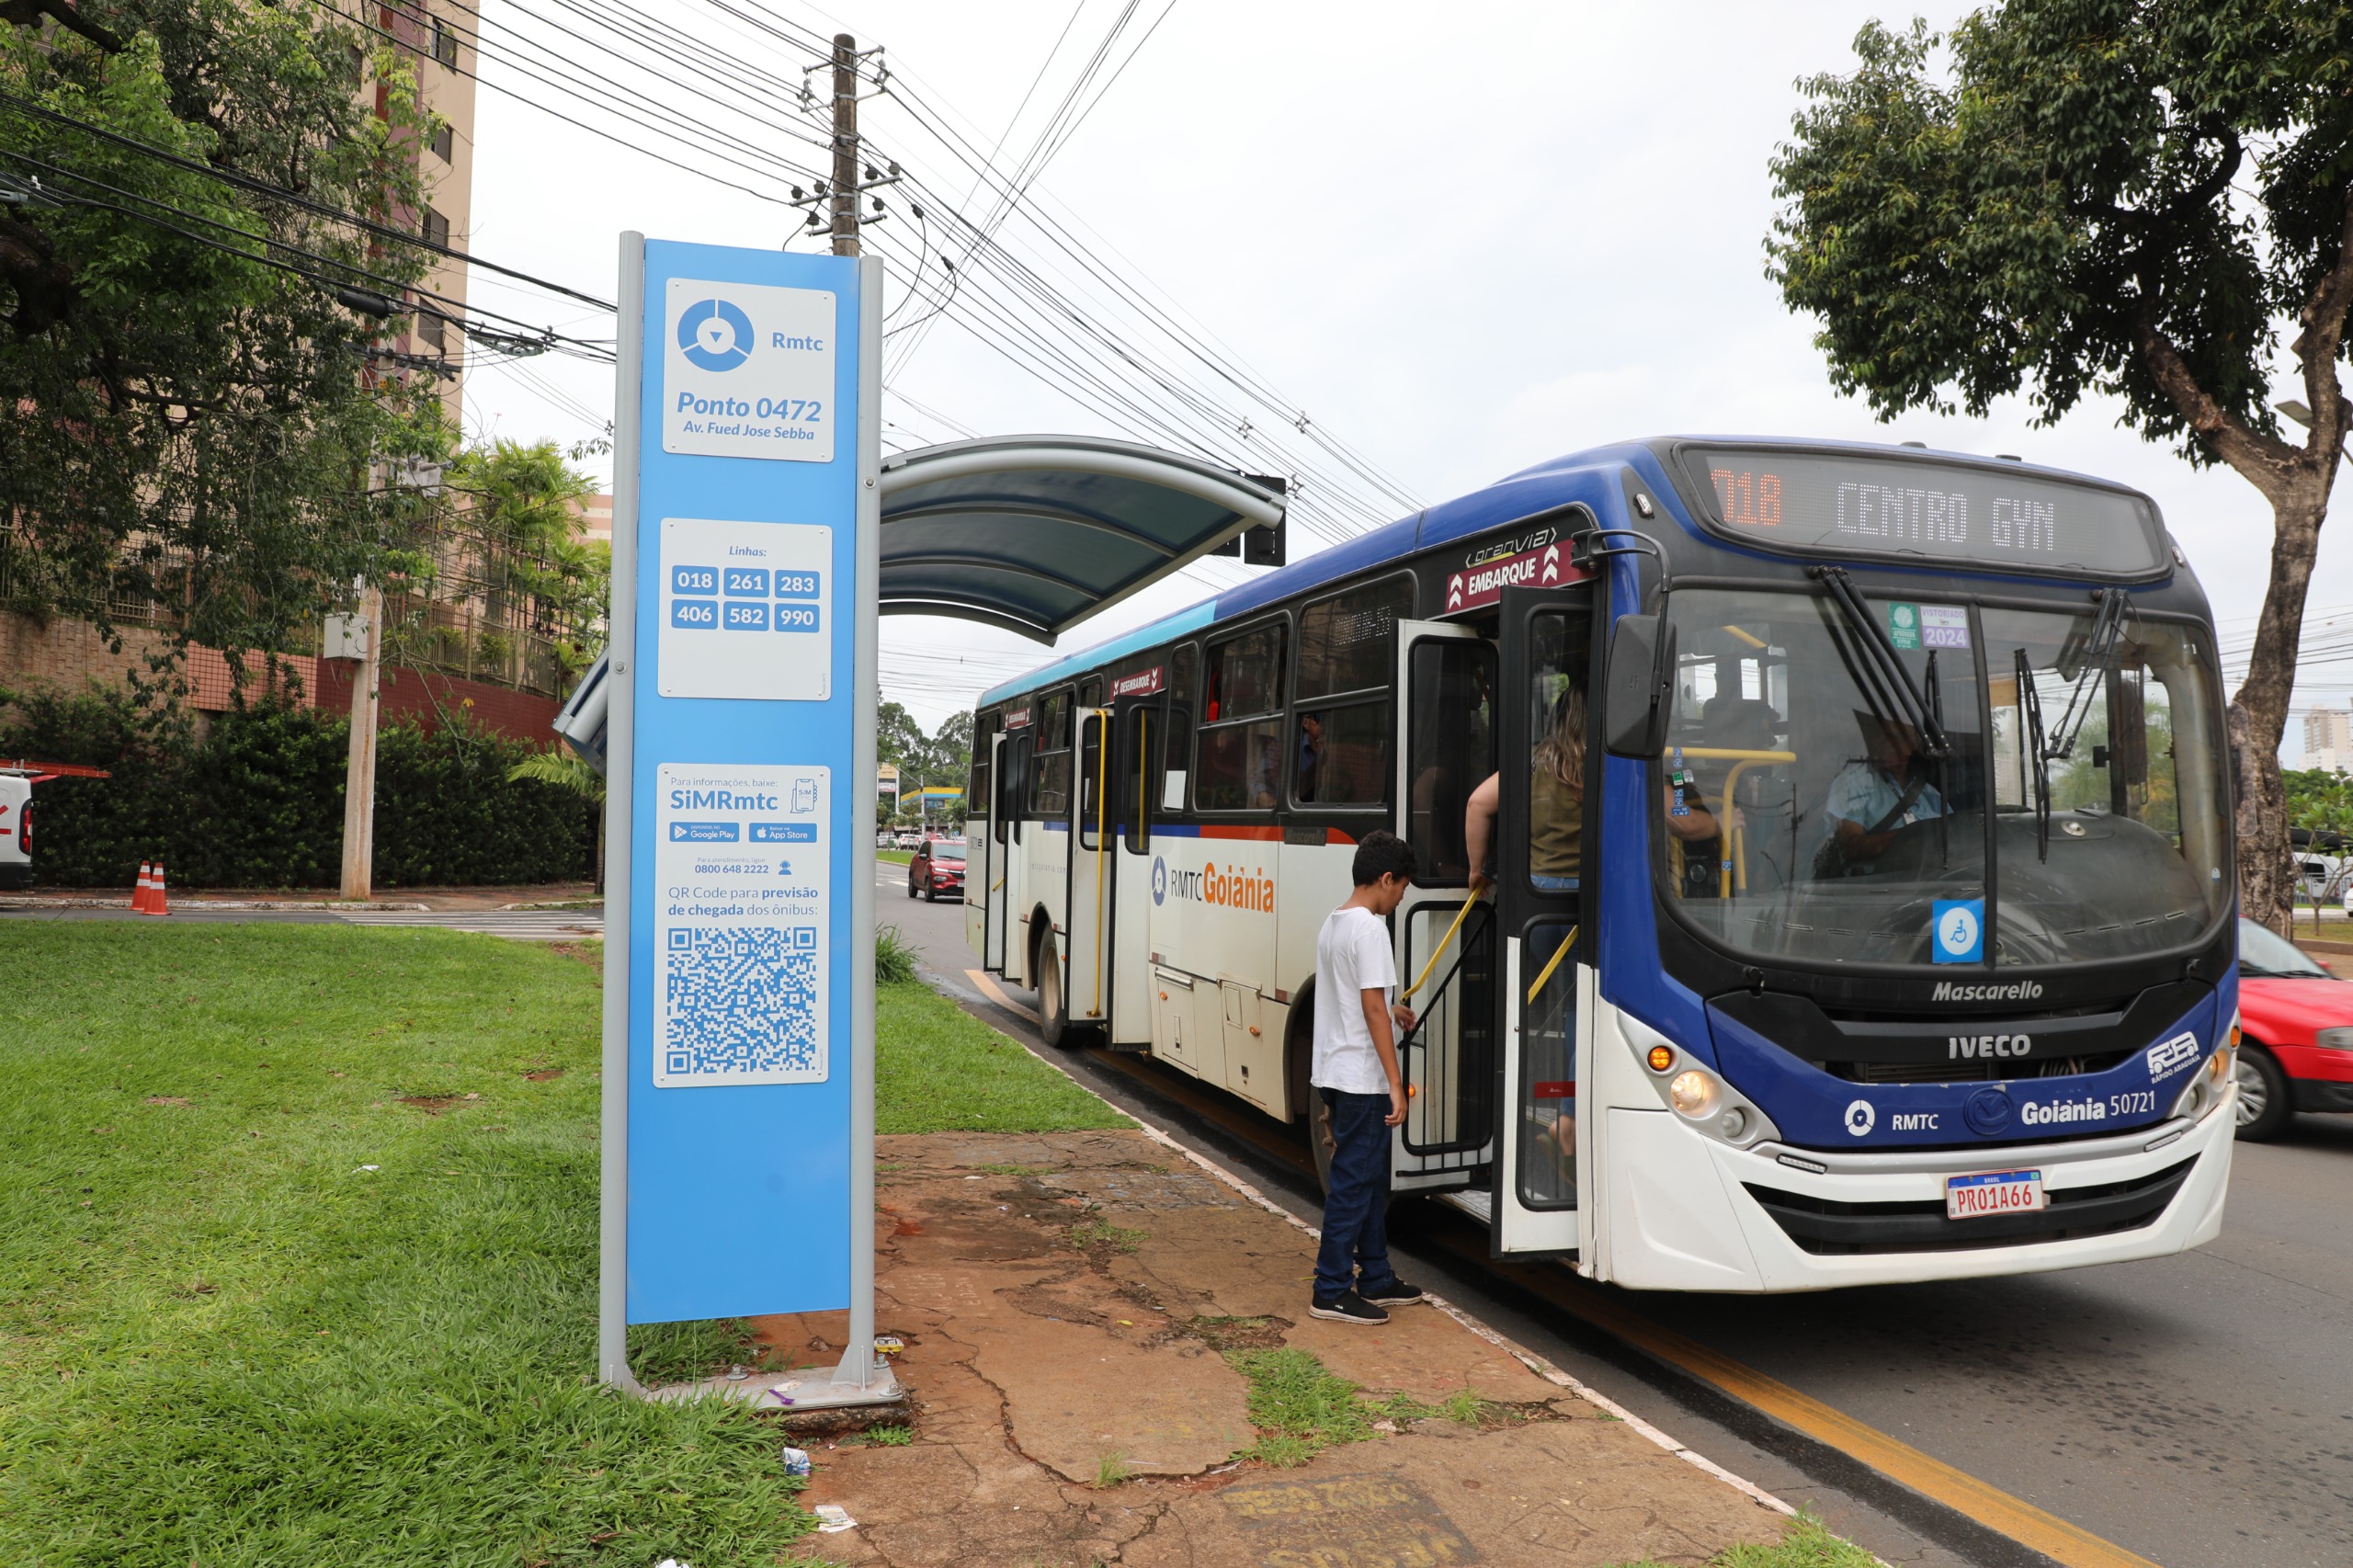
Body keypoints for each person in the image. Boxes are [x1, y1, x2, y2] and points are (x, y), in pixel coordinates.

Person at [1308, 829, 1427, 1325]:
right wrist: (1396, 1082)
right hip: (1361, 1079)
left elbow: (1357, 999)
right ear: (1385, 879)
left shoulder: (1334, 924)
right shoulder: (1372, 929)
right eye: (1401, 888)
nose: (1400, 898)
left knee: (1371, 1181)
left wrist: (1392, 1008)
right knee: (1355, 1185)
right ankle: (1331, 1288)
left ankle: (1375, 1275)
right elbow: (1372, 1007)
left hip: (1334, 1070)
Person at [1462, 683, 1730, 892]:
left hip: (1536, 890)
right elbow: (1683, 821)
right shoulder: (1622, 763)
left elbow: (1477, 804)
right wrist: (1722, 821)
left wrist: (1477, 869)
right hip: (1593, 894)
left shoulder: (1533, 760)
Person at [1813, 711, 1948, 876]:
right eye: (1883, 736)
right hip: (1877, 890)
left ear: (1914, 743)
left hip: (1936, 882)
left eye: (1896, 737)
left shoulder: (1928, 793)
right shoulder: (1854, 781)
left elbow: (1955, 834)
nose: (1887, 743)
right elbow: (1849, 847)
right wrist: (1911, 837)